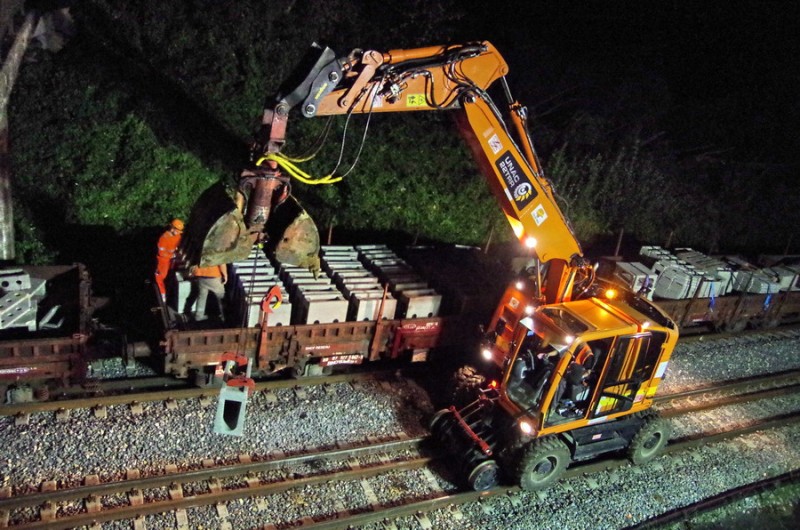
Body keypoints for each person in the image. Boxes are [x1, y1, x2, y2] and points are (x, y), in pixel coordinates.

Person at [154, 218, 184, 301]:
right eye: (177, 231)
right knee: (160, 278)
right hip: (163, 261)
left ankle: (168, 293)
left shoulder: (178, 236)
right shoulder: (163, 239)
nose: (178, 233)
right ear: (172, 228)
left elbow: (178, 246)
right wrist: (173, 255)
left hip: (171, 260)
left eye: (179, 231)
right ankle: (162, 296)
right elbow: (161, 253)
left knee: (169, 277)